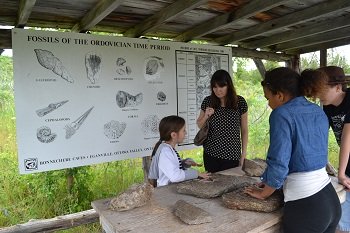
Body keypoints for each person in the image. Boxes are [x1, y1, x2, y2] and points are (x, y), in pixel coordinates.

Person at [244, 67, 341, 233]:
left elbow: (279, 161)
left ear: (280, 96)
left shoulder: (282, 114)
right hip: (329, 199)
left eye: (268, 98)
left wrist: (265, 193)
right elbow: (304, 154)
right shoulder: (317, 111)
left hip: (306, 205)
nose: (268, 104)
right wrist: (267, 180)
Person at [317, 66, 350, 233]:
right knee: (342, 219)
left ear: (338, 87)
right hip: (349, 164)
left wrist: (341, 173)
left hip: (348, 164)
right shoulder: (327, 105)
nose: (318, 94)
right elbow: (322, 135)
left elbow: (347, 138)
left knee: (342, 219)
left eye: (322, 89)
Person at [196, 69, 248, 173]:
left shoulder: (240, 102)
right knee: (213, 185)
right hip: (211, 153)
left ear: (228, 85)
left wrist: (243, 154)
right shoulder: (208, 101)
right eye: (215, 87)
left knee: (231, 185)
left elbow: (244, 129)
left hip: (232, 154)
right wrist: (206, 116)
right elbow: (200, 124)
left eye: (221, 86)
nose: (218, 90)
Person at [148, 115, 210, 187]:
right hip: (167, 191)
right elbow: (175, 176)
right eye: (183, 130)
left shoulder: (167, 149)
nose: (186, 133)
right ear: (174, 135)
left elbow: (172, 164)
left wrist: (184, 163)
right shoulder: (165, 152)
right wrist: (196, 174)